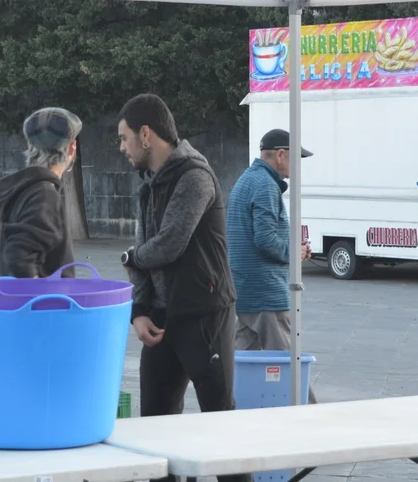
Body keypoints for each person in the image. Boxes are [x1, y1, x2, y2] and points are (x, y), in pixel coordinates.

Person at [117, 93, 251, 482]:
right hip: (162, 320)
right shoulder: (149, 186)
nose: (122, 148)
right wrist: (139, 311)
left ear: (146, 134)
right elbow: (143, 252)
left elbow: (169, 244)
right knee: (156, 431)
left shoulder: (195, 176)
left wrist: (132, 257)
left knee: (220, 427)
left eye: (124, 138)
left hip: (205, 315)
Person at [226, 128, 318, 403]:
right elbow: (265, 239)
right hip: (266, 294)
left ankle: (230, 410)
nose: (297, 166)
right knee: (291, 362)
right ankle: (313, 415)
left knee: (239, 365)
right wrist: (294, 252)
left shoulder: (247, 180)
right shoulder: (265, 185)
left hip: (245, 289)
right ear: (280, 155)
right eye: (295, 158)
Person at [0, 107, 82, 279]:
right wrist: (38, 293)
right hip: (45, 297)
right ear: (72, 148)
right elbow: (19, 257)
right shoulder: (45, 194)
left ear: (29, 145)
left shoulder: (26, 189)